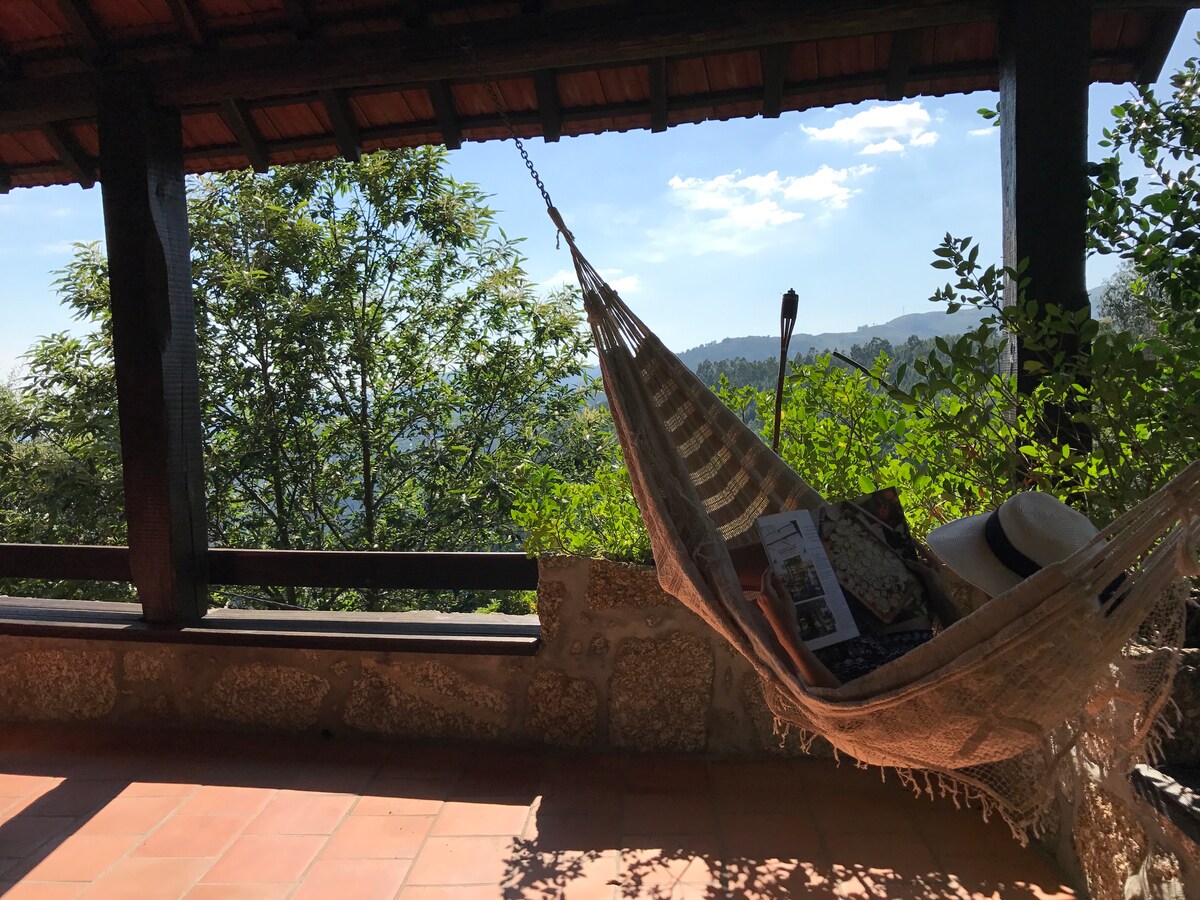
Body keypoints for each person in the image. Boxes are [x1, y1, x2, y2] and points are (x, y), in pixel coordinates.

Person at [734, 491, 1105, 689]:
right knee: (810, 551)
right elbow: (965, 649)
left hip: (850, 668)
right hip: (897, 641)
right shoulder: (1031, 634)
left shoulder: (1021, 666)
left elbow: (845, 708)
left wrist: (787, 635)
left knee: (768, 566)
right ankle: (706, 564)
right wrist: (938, 593)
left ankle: (705, 566)